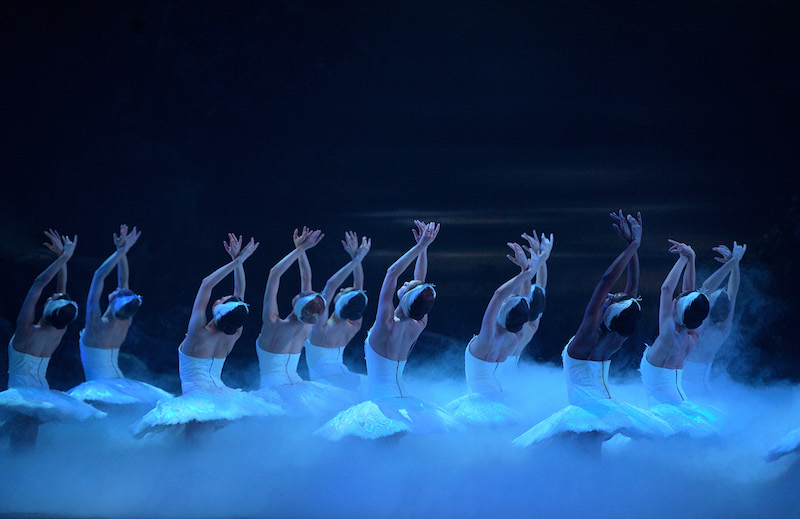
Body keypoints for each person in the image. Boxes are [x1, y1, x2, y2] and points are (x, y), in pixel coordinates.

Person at [513, 212, 672, 454]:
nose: (609, 295)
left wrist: (635, 244)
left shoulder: (587, 334)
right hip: (609, 410)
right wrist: (632, 246)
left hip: (586, 413)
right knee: (586, 460)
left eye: (612, 298)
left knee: (569, 458)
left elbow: (606, 280)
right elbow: (632, 288)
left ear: (610, 311)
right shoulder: (618, 335)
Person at [316, 221, 460, 440]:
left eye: (408, 284)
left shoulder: (386, 323)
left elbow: (392, 272)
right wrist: (425, 247)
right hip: (404, 398)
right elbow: (420, 285)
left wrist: (421, 246)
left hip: (382, 403)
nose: (407, 281)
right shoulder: (419, 323)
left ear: (406, 297)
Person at [132, 236, 282, 441]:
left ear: (216, 308)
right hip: (222, 394)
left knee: (192, 442)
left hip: (199, 398)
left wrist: (237, 261)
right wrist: (239, 261)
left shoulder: (197, 334)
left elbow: (206, 285)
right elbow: (240, 296)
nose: (219, 297)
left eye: (221, 299)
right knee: (202, 439)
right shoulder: (234, 333)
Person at [0, 231, 105, 451]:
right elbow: (62, 292)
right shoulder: (58, 329)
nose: (52, 295)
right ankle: (26, 471)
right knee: (26, 433)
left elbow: (39, 283)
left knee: (21, 438)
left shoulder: (26, 331)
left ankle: (22, 474)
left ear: (49, 309)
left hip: (22, 392)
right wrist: (62, 257)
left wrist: (64, 258)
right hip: (42, 389)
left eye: (52, 299)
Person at [253, 227, 358, 417]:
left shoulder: (273, 324)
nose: (304, 290)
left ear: (298, 304)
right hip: (297, 386)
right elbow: (306, 277)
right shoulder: (308, 323)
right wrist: (301, 249)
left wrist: (300, 249)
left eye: (303, 294)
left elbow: (274, 274)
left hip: (273, 391)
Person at [67, 225, 172, 407]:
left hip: (100, 388)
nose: (116, 289)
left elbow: (98, 276)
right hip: (118, 382)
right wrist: (122, 250)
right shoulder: (126, 319)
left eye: (117, 292)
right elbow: (123, 281)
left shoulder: (96, 324)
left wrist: (122, 250)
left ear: (115, 302)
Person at [446, 242, 540, 425]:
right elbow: (524, 303)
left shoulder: (487, 338)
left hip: (476, 408)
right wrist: (526, 269)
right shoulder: (515, 337)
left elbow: (498, 295)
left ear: (503, 311)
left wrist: (525, 273)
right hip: (501, 403)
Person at [638, 240, 719, 437]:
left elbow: (666, 289)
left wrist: (683, 259)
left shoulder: (668, 335)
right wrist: (692, 258)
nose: (674, 299)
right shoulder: (692, 335)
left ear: (676, 306)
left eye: (677, 299)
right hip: (678, 402)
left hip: (663, 410)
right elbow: (689, 294)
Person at [305, 231, 371, 391]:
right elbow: (358, 290)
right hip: (342, 374)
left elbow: (331, 285)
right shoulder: (355, 323)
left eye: (342, 291)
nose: (340, 289)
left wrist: (357, 258)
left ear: (341, 302)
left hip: (325, 382)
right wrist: (356, 257)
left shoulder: (321, 329)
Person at [683, 242, 746, 395]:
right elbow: (733, 293)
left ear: (709, 305)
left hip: (681, 387)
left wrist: (733, 261)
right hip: (703, 390)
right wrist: (735, 262)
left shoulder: (696, 324)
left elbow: (706, 288)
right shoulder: (723, 331)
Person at [498, 231, 553, 377]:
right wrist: (541, 258)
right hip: (507, 381)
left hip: (493, 380)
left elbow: (523, 295)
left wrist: (527, 269)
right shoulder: (530, 328)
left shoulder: (503, 329)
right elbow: (541, 287)